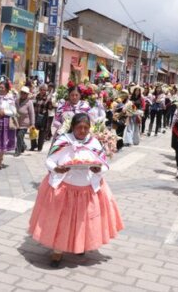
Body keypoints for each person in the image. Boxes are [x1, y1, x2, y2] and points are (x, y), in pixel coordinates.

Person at [28, 113, 124, 268]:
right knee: (62, 220)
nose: (83, 130)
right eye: (79, 127)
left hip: (87, 191)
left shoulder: (94, 143)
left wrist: (97, 169)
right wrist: (56, 168)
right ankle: (57, 251)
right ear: (73, 127)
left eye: (86, 128)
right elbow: (50, 160)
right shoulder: (63, 141)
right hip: (64, 188)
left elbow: (105, 164)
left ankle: (80, 245)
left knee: (83, 220)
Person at [15, 86, 35, 156]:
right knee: (17, 136)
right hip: (17, 122)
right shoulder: (17, 100)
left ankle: (18, 151)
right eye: (22, 93)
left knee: (20, 135)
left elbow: (32, 113)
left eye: (25, 93)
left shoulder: (29, 102)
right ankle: (23, 146)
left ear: (27, 94)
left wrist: (32, 124)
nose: (23, 94)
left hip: (25, 123)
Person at [31, 84, 52, 151]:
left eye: (44, 90)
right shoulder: (36, 96)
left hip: (43, 117)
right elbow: (32, 105)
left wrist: (51, 102)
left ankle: (40, 147)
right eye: (41, 89)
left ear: (46, 90)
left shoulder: (48, 98)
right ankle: (33, 145)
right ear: (39, 90)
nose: (42, 91)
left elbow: (50, 108)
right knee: (32, 130)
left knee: (42, 132)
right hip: (35, 116)